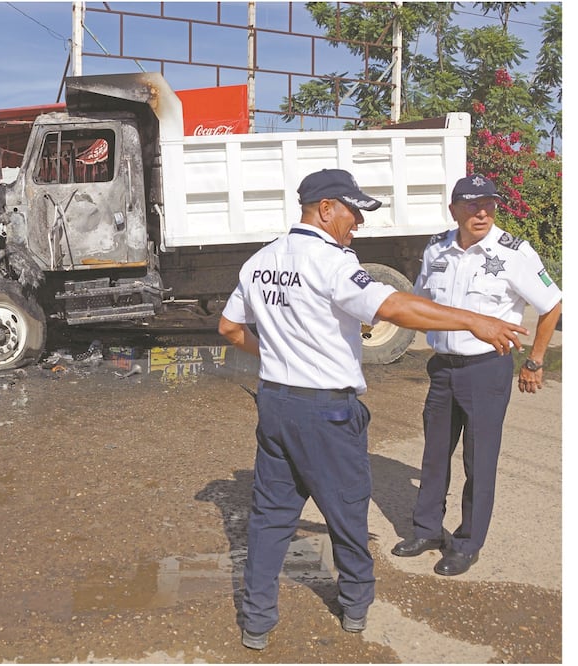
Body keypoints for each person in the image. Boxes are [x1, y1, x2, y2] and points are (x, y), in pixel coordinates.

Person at [218, 168, 529, 650]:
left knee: (269, 518)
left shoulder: (260, 261)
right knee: (346, 511)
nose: (357, 223)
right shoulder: (334, 263)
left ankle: (257, 621)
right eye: (353, 212)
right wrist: (475, 320)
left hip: (277, 405)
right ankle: (356, 607)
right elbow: (398, 308)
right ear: (325, 209)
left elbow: (230, 329)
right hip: (326, 412)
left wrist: (281, 356)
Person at [390, 173, 562, 576]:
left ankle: (468, 543)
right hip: (443, 369)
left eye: (488, 204)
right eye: (471, 204)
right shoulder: (437, 248)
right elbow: (419, 302)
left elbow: (552, 303)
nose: (481, 211)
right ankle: (427, 529)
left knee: (478, 461)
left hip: (487, 369)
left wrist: (534, 361)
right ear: (454, 210)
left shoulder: (514, 252)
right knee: (434, 455)